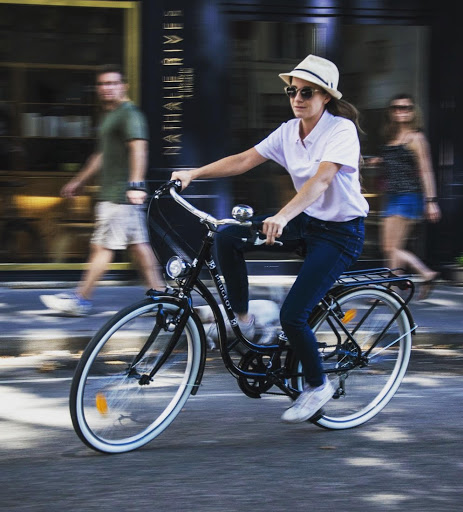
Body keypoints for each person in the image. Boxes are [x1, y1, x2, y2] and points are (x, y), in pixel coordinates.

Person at [171, 55, 369, 424]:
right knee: (228, 236)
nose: (297, 98)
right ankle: (243, 320)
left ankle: (317, 385)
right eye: (292, 90)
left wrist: (282, 216)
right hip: (307, 220)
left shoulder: (340, 131)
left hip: (341, 233)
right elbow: (245, 160)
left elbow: (322, 180)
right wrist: (194, 173)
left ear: (325, 97)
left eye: (307, 92)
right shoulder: (288, 131)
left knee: (293, 316)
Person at [41, 65, 165, 316]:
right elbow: (101, 155)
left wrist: (135, 184)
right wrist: (79, 181)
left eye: (112, 83)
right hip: (116, 194)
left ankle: (81, 300)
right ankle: (161, 297)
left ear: (124, 86)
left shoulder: (129, 114)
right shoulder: (110, 116)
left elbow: (139, 149)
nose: (107, 88)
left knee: (103, 248)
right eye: (103, 84)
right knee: (139, 246)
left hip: (120, 195)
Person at [369, 93, 441, 298]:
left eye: (406, 108)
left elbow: (426, 171)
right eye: (396, 108)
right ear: (391, 112)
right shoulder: (391, 137)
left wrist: (431, 201)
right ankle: (392, 292)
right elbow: (395, 161)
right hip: (391, 197)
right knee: (393, 248)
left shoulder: (416, 138)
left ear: (412, 112)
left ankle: (425, 272)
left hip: (408, 197)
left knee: (389, 247)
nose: (401, 111)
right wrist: (378, 161)